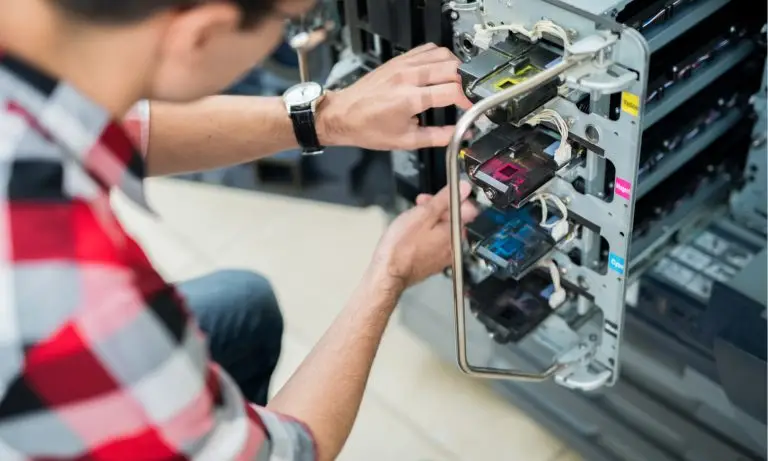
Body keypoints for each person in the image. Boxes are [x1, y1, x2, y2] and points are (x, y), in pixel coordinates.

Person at [0, 1, 479, 460]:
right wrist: (390, 274)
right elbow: (284, 454)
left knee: (244, 306)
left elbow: (123, 126)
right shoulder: (82, 302)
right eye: (292, 22)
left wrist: (329, 117)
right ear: (201, 34)